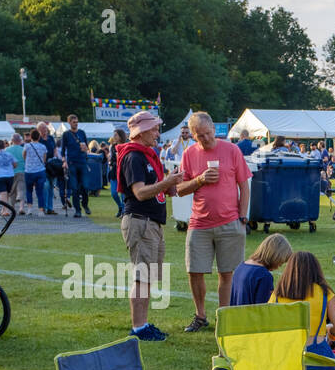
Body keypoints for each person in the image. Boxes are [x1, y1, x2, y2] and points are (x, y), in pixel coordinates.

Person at [174, 111, 252, 331]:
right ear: (192, 135)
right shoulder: (189, 154)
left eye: (207, 134)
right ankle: (200, 316)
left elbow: (243, 186)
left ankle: (224, 316)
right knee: (194, 270)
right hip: (199, 222)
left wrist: (242, 216)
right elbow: (179, 189)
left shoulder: (231, 149)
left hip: (230, 222)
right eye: (199, 136)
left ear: (214, 130)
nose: (205, 139)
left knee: (227, 273)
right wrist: (199, 180)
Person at [117, 110, 184, 341]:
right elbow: (140, 192)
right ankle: (138, 327)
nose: (157, 132)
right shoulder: (134, 156)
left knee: (148, 276)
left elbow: (154, 190)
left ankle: (143, 324)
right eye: (154, 128)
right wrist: (166, 182)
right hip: (140, 220)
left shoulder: (146, 155)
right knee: (142, 276)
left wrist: (170, 184)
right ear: (142, 131)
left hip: (150, 222)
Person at [271, 250, 335, 350]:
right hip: (315, 354)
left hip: (285, 352)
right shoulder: (324, 292)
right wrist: (329, 330)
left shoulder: (278, 293)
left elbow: (268, 327)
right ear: (316, 269)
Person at [231, 233, 293, 306]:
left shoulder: (241, 267)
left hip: (236, 316)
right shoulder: (264, 276)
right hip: (251, 317)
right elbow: (264, 309)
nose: (279, 267)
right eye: (280, 262)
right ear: (275, 256)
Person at [60, 113, 91, 217]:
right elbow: (63, 150)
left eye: (77, 122)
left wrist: (85, 148)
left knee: (85, 186)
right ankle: (77, 210)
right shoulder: (66, 134)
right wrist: (64, 161)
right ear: (69, 122)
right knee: (74, 188)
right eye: (74, 122)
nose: (76, 124)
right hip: (72, 163)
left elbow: (87, 147)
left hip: (82, 162)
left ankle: (85, 204)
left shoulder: (82, 133)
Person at [22, 129, 49, 217]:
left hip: (29, 171)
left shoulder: (27, 146)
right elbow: (44, 159)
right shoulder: (43, 146)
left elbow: (24, 156)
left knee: (29, 190)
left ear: (31, 137)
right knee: (40, 191)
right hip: (40, 171)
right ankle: (41, 210)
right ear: (39, 137)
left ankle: (30, 209)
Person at [105, 128, 128, 218]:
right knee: (114, 193)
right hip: (114, 171)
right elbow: (111, 160)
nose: (113, 137)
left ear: (120, 136)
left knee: (123, 194)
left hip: (123, 172)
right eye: (113, 135)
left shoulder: (126, 145)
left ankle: (124, 211)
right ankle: (120, 207)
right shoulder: (113, 147)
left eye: (115, 135)